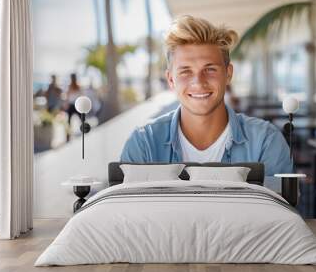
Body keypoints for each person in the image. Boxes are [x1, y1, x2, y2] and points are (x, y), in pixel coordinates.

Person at [120, 15, 292, 175]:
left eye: (210, 69)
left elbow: (278, 207)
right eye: (186, 71)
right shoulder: (144, 144)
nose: (198, 82)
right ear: (171, 80)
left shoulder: (266, 142)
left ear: (228, 74)